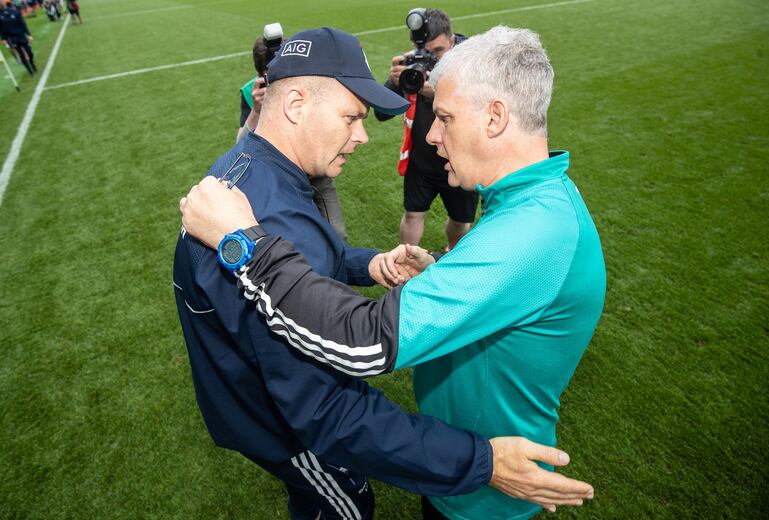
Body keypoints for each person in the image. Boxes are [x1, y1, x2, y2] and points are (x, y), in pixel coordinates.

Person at [180, 25, 605, 520]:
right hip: (463, 461)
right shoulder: (530, 202)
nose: (429, 134)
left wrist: (244, 243)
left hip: (485, 489)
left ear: (495, 117)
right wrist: (436, 269)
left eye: (443, 116)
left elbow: (363, 341)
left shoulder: (530, 233)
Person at [376, 9, 477, 252]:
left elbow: (480, 111)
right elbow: (382, 113)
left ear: (452, 41)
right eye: (426, 53)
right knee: (413, 214)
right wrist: (395, 82)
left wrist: (439, 93)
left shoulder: (473, 63)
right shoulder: (412, 65)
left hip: (460, 159)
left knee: (461, 220)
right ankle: (405, 260)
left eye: (438, 52)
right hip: (420, 161)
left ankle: (453, 256)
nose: (431, 60)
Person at [236, 29, 349, 242]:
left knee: (337, 234)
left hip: (314, 173)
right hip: (276, 178)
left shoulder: (307, 84)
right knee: (292, 240)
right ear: (261, 73)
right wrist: (257, 109)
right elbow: (241, 144)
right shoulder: (253, 91)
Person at [0, 1, 35, 76]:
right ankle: (29, 70)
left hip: (21, 35)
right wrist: (3, 38)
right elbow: (1, 28)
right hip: (11, 38)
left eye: (2, 1)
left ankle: (32, 63)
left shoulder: (14, 11)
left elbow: (22, 23)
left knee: (29, 52)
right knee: (21, 54)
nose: (1, 3)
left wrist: (28, 34)